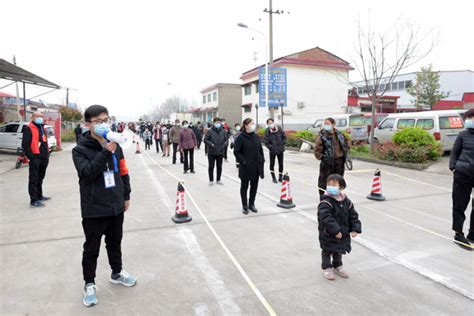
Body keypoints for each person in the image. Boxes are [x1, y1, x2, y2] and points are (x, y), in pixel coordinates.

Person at [72, 105, 136, 307]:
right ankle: (89, 283)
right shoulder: (79, 150)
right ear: (87, 124)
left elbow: (123, 172)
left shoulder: (115, 145)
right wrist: (106, 153)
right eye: (98, 121)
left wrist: (126, 195)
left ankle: (116, 272)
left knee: (115, 242)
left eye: (105, 120)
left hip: (116, 205)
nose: (103, 125)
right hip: (94, 208)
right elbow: (88, 172)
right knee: (91, 248)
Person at [317, 174, 362, 280]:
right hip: (328, 233)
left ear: (341, 187)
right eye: (329, 184)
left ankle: (337, 265)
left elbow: (353, 215)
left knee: (338, 249)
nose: (331, 186)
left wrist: (355, 228)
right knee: (327, 250)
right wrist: (335, 231)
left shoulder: (346, 201)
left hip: (343, 233)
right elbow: (326, 218)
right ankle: (326, 267)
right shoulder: (326, 202)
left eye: (334, 184)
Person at [449, 109, 474, 250]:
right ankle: (458, 233)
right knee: (460, 205)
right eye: (469, 117)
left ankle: (473, 233)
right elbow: (454, 152)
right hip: (462, 174)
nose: (471, 120)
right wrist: (453, 167)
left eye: (472, 117)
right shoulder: (462, 135)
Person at [234, 118, 265, 214]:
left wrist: (262, 159)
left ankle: (252, 204)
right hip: (246, 167)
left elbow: (260, 150)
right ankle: (244, 205)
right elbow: (237, 152)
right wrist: (243, 161)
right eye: (251, 123)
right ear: (246, 125)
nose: (253, 125)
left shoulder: (256, 136)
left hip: (256, 166)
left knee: (254, 187)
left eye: (253, 123)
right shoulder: (241, 137)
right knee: (244, 187)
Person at [314, 117, 350, 199]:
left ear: (333, 124)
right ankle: (322, 197)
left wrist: (344, 152)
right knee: (324, 181)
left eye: (328, 124)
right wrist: (322, 157)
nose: (326, 125)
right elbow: (317, 149)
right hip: (327, 162)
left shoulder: (340, 134)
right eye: (325, 124)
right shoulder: (322, 135)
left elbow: (346, 144)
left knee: (337, 180)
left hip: (339, 162)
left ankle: (335, 196)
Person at [22, 111, 51, 208]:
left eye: (41, 116)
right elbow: (25, 144)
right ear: (32, 117)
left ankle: (39, 195)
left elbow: (44, 141)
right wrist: (31, 157)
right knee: (34, 179)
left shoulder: (42, 127)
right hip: (35, 157)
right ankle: (33, 200)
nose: (40, 118)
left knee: (40, 178)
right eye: (37, 116)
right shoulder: (28, 128)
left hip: (44, 157)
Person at [204, 117, 228, 185]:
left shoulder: (223, 131)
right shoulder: (210, 131)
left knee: (219, 166)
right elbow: (205, 139)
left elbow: (226, 139)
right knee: (211, 166)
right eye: (217, 122)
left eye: (219, 122)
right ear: (214, 123)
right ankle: (211, 180)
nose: (218, 124)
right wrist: (211, 144)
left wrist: (224, 144)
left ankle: (218, 179)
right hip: (212, 152)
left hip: (220, 152)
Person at [264, 118, 287, 183]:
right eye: (269, 123)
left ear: (274, 122)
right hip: (272, 151)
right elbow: (266, 141)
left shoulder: (279, 128)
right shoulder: (267, 130)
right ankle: (273, 177)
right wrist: (271, 147)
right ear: (267, 124)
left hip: (280, 149)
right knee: (272, 164)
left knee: (281, 164)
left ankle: (280, 177)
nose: (270, 124)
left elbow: (284, 136)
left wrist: (283, 144)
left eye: (271, 122)